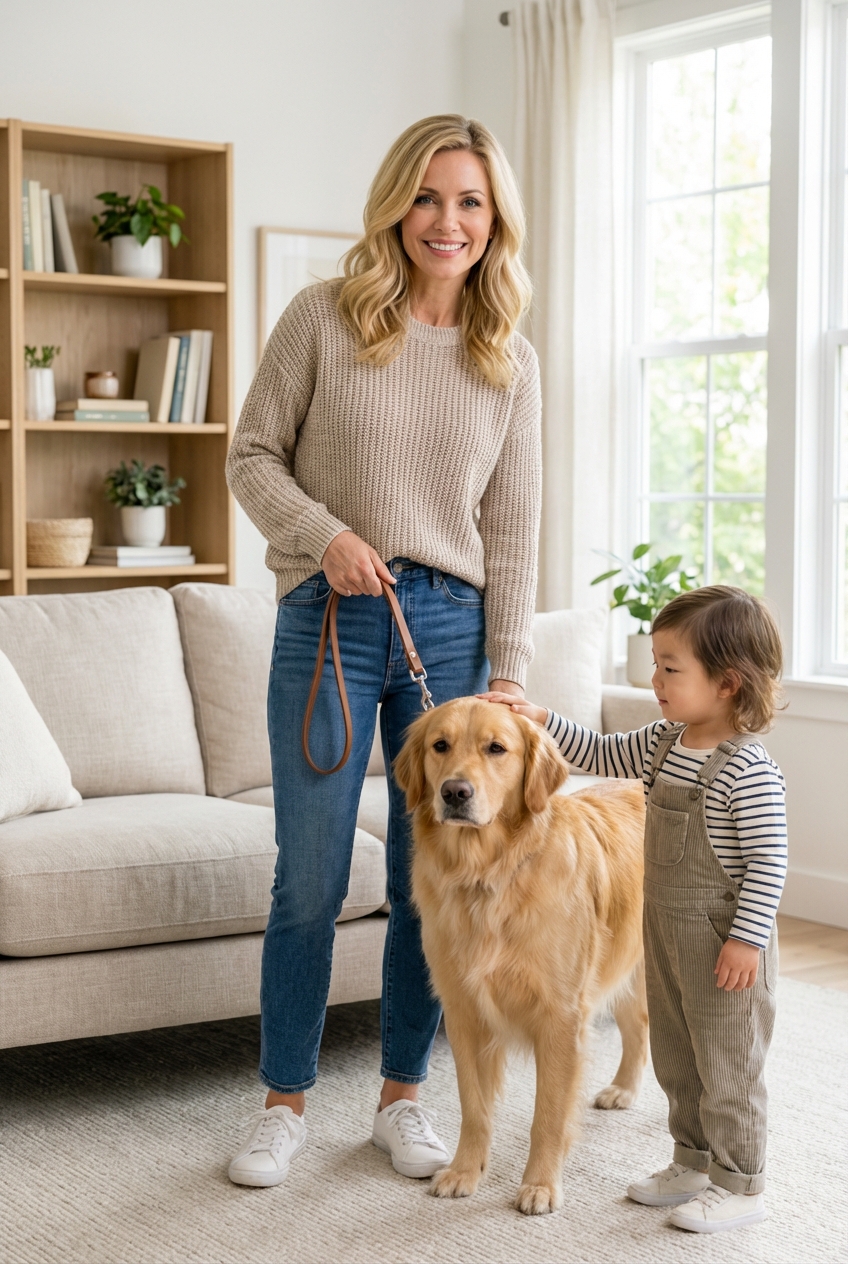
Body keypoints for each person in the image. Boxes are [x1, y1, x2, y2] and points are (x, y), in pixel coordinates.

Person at [225, 114, 541, 1187]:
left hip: (450, 633)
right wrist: (327, 536)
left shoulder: (508, 356)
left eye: (468, 202)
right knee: (307, 878)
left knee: (431, 883)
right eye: (426, 197)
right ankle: (281, 1103)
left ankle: (403, 1095)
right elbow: (252, 455)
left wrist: (506, 672)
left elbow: (511, 525)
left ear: (493, 220)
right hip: (326, 620)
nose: (445, 221)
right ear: (394, 206)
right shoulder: (323, 316)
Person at [483, 585, 787, 1234]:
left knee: (727, 1067)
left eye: (670, 668)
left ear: (728, 683)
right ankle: (692, 1162)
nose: (654, 679)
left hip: (725, 946)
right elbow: (593, 752)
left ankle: (741, 1183)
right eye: (656, 663)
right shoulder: (661, 743)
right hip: (665, 937)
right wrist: (537, 716)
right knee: (678, 1059)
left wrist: (747, 941)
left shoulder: (749, 771)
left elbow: (768, 862)